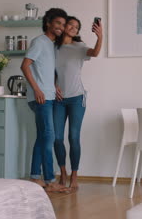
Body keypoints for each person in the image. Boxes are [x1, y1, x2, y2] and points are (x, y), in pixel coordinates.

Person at [21, 8, 69, 192]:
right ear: (48, 23)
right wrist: (37, 89)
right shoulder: (39, 42)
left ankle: (35, 177)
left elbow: (46, 70)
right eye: (58, 23)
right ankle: (49, 181)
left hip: (48, 95)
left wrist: (54, 85)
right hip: (40, 97)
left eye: (63, 25)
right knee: (48, 136)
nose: (61, 27)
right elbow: (25, 66)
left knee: (43, 137)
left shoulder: (52, 45)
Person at [53, 16, 102, 189]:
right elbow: (48, 70)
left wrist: (100, 36)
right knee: (57, 138)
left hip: (76, 98)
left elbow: (95, 53)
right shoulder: (54, 48)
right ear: (64, 26)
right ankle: (63, 171)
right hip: (58, 100)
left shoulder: (79, 47)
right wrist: (53, 85)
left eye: (77, 27)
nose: (74, 28)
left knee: (73, 137)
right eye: (71, 25)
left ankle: (74, 174)